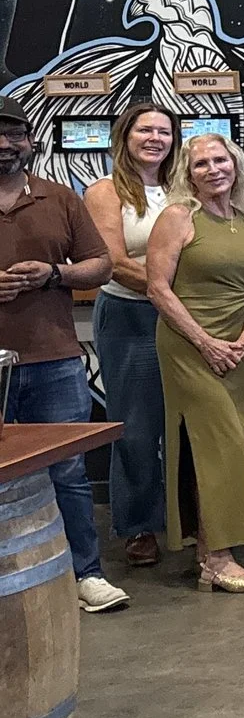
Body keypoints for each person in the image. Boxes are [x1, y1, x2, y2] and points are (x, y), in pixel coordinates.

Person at [0, 95, 118, 611]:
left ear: (30, 141)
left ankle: (85, 575)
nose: (3, 146)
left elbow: (101, 265)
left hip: (54, 358)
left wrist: (55, 274)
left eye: (13, 135)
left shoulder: (60, 199)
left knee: (68, 473)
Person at [147, 132, 244, 594]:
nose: (214, 169)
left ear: (236, 165)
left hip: (236, 347)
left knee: (233, 441)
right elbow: (158, 288)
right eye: (202, 164)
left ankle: (207, 552)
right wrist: (205, 342)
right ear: (187, 173)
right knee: (214, 442)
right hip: (188, 344)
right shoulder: (177, 217)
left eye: (221, 160)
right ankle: (220, 558)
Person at [83, 102, 176, 568]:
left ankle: (189, 519)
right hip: (131, 318)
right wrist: (177, 296)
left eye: (164, 130)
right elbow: (114, 263)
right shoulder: (105, 191)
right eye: (145, 130)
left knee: (187, 426)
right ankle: (138, 524)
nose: (155, 138)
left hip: (185, 321)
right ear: (125, 136)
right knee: (137, 428)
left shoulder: (184, 188)